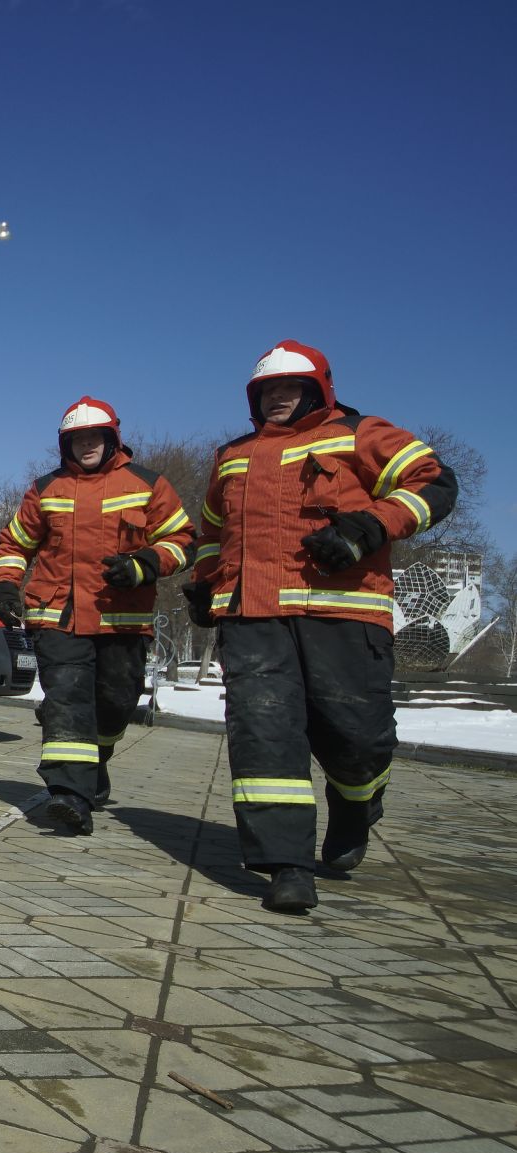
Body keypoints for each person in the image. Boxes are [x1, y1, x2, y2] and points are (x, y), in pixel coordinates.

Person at [185, 341, 456, 913]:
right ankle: (286, 864)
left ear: (318, 388)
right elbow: (212, 531)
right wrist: (205, 582)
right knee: (264, 738)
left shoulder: (362, 433)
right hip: (252, 618)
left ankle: (357, 803)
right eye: (266, 391)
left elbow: (434, 483)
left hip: (344, 612)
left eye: (289, 388)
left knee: (356, 736)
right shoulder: (231, 455)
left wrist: (369, 527)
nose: (277, 398)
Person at [0, 398, 195, 834]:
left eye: (93, 437)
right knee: (67, 701)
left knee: (116, 703)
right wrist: (5, 583)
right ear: (66, 444)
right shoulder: (46, 489)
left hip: (122, 619)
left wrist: (145, 563)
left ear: (111, 438)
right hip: (57, 617)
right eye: (77, 439)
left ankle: (96, 764)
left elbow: (182, 540)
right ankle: (69, 794)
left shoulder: (147, 484)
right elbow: (15, 544)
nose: (85, 445)